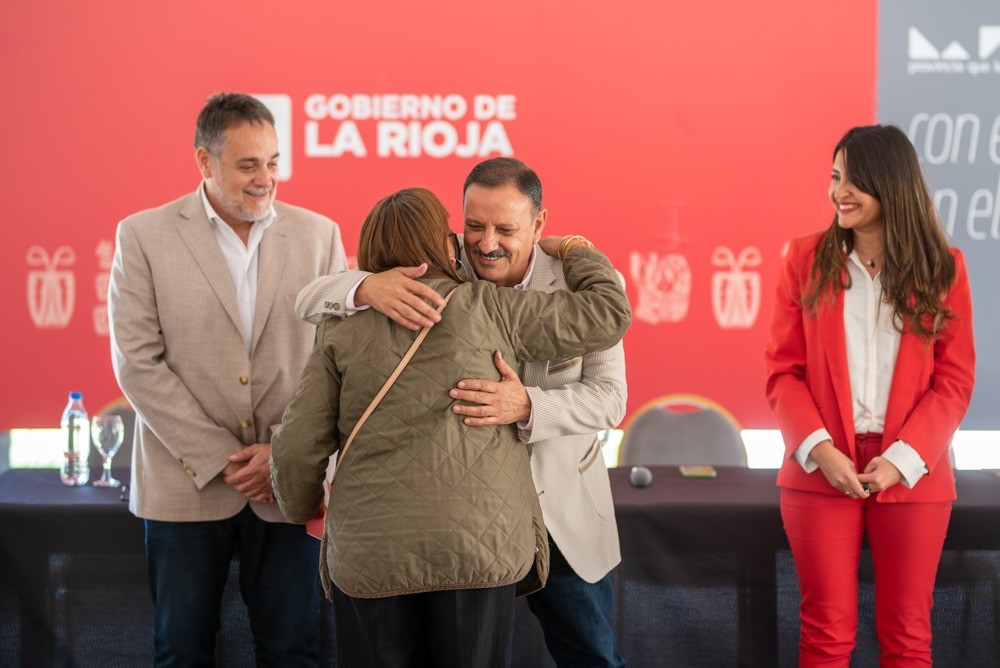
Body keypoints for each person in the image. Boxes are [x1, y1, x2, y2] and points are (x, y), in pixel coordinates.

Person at [270, 187, 632, 667]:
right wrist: (578, 249)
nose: (483, 243)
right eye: (467, 229)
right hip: (481, 541)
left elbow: (298, 445)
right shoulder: (485, 304)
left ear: (537, 223)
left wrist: (301, 507)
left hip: (378, 547)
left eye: (504, 229)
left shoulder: (339, 328)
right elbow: (608, 313)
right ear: (446, 242)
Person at [108, 92, 349, 667]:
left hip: (289, 485)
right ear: (204, 161)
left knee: (293, 650)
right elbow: (137, 363)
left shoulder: (320, 236)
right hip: (182, 485)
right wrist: (223, 458)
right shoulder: (143, 235)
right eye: (248, 165)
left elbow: (339, 363)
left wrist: (283, 453)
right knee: (182, 652)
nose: (266, 179)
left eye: (273, 162)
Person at [765, 124, 975, 667]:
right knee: (825, 634)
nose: (839, 192)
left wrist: (902, 460)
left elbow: (954, 382)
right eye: (835, 177)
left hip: (913, 471)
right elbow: (783, 373)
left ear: (891, 185)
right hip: (821, 467)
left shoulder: (944, 268)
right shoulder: (804, 259)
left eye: (854, 181)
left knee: (908, 636)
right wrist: (821, 451)